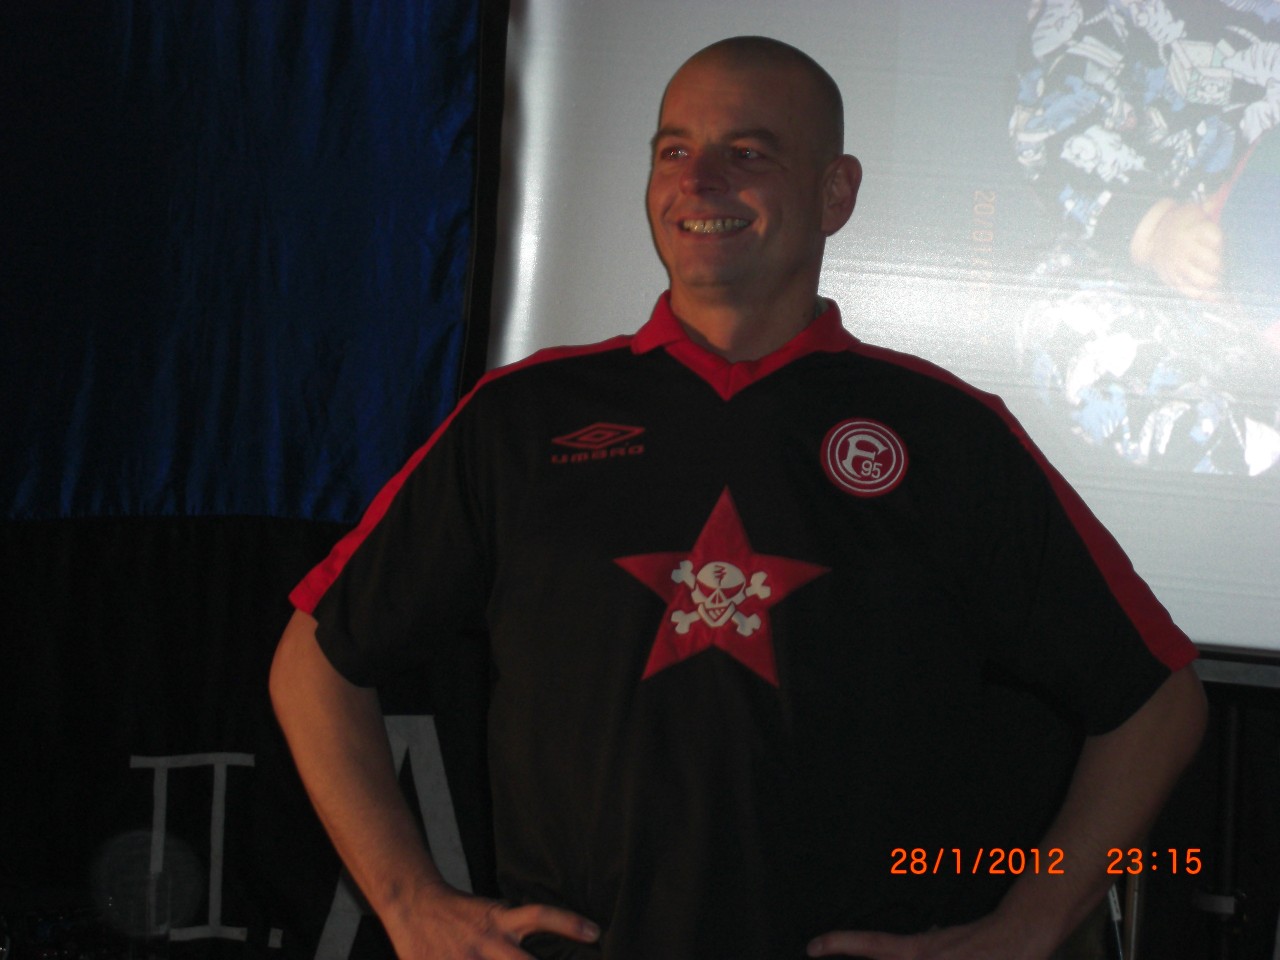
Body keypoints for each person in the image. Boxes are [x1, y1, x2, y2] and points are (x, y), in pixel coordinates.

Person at [270, 36, 1207, 959]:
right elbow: (313, 666)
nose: (699, 180)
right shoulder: (522, 419)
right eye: (673, 150)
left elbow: (1157, 701)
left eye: (748, 153)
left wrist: (1030, 927)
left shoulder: (948, 436)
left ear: (836, 193)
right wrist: (408, 904)